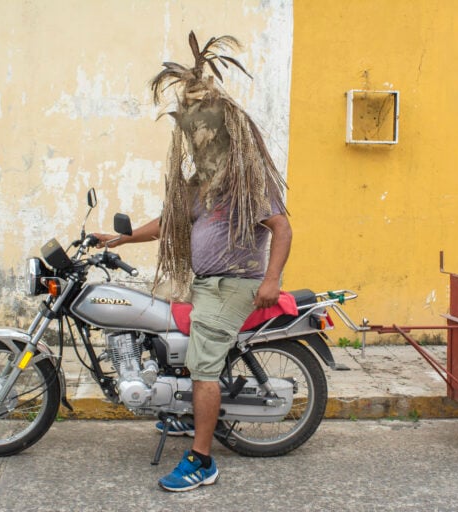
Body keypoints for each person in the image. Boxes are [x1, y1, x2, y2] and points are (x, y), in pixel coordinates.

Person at [94, 31, 291, 492]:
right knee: (161, 337)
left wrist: (272, 279)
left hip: (234, 285)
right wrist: (119, 239)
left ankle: (202, 461)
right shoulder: (201, 185)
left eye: (204, 133)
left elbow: (281, 226)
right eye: (192, 134)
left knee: (203, 368)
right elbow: (168, 224)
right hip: (203, 284)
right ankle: (182, 413)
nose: (198, 142)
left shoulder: (247, 178)